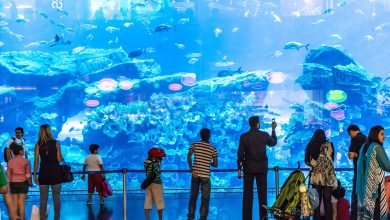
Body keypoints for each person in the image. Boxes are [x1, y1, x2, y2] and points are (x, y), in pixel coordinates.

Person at [237, 116, 277, 220]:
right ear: (258, 124)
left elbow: (240, 154)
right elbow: (273, 143)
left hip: (248, 168)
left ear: (250, 124)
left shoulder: (243, 137)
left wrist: (239, 168)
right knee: (262, 195)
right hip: (262, 169)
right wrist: (273, 130)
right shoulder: (264, 135)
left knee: (247, 196)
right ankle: (263, 218)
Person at [357, 125, 389, 219]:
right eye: (382, 134)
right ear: (376, 135)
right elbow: (387, 166)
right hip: (375, 185)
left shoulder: (365, 146)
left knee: (367, 213)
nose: (384, 136)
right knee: (376, 212)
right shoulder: (377, 148)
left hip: (365, 184)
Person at [305, 129, 337, 220]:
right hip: (328, 176)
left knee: (316, 202)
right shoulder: (330, 145)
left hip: (315, 177)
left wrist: (315, 165)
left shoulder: (310, 145)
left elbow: (306, 161)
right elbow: (332, 159)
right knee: (327, 201)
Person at [33, 124, 63, 220]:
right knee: (56, 198)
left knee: (43, 199)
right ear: (49, 131)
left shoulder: (37, 144)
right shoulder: (56, 143)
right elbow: (59, 159)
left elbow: (36, 161)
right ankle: (56, 218)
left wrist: (34, 175)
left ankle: (42, 218)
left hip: (43, 173)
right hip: (55, 172)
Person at [187, 128, 218, 220]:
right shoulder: (213, 148)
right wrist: (209, 162)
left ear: (200, 135)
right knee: (205, 198)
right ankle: (203, 217)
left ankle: (191, 216)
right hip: (205, 176)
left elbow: (189, 156)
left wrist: (192, 169)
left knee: (193, 196)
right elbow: (216, 164)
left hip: (195, 174)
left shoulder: (195, 144)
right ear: (209, 136)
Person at [347, 124, 367, 220]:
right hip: (367, 171)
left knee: (355, 194)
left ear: (351, 131)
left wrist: (354, 154)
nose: (350, 136)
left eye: (349, 134)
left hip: (358, 171)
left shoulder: (355, 139)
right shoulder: (367, 138)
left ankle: (354, 216)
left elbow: (350, 155)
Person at [7, 143, 32, 220]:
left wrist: (8, 186)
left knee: (15, 202)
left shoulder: (10, 162)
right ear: (20, 151)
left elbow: (8, 176)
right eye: (23, 150)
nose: (24, 151)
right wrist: (30, 183)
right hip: (23, 183)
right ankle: (22, 218)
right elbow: (28, 174)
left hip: (13, 184)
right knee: (21, 203)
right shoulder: (26, 161)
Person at [144, 147, 166, 220]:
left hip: (149, 184)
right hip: (157, 184)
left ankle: (147, 218)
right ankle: (160, 219)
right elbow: (158, 173)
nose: (160, 159)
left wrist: (156, 161)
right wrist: (158, 164)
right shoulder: (155, 165)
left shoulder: (146, 163)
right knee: (159, 202)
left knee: (148, 201)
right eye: (159, 157)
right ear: (154, 157)